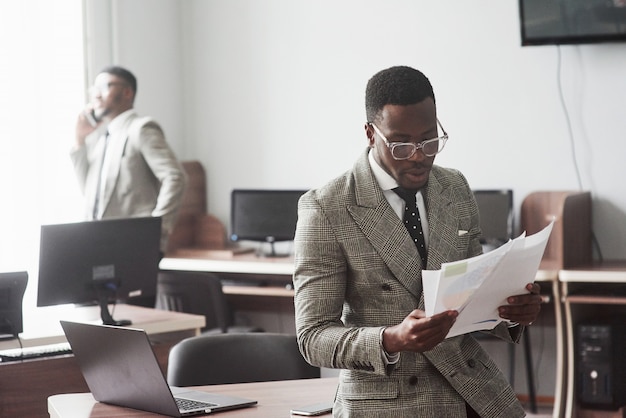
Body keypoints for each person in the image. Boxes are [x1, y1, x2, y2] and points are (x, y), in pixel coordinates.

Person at [293, 66, 542, 417]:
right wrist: (392, 339)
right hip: (387, 402)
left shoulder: (454, 187)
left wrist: (512, 311)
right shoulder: (327, 207)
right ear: (370, 133)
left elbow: (471, 296)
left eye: (429, 140)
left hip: (474, 390)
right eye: (401, 144)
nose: (418, 155)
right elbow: (312, 337)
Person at [71, 66, 186, 255]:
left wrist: (157, 229)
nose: (96, 95)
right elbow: (88, 192)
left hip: (135, 245)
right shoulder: (102, 140)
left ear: (126, 92)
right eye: (95, 88)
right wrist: (79, 140)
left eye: (104, 87)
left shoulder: (141, 129)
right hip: (98, 244)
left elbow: (175, 177)